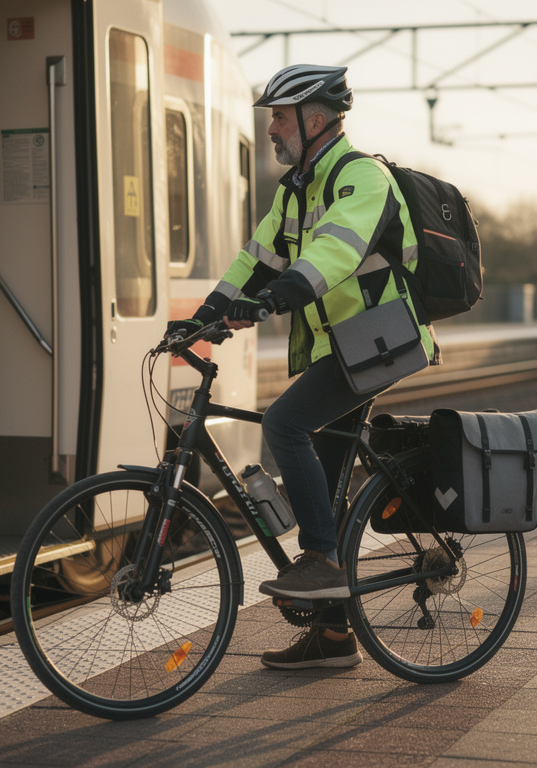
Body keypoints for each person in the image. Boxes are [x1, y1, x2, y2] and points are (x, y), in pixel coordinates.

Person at [165, 65, 433, 669]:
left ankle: (320, 561)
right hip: (342, 347)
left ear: (316, 120)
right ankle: (334, 638)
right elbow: (254, 261)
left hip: (379, 340)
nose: (271, 129)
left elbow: (337, 250)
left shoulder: (361, 176)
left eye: (279, 118)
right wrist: (203, 316)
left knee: (284, 424)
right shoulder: (294, 192)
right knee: (325, 489)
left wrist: (276, 298)